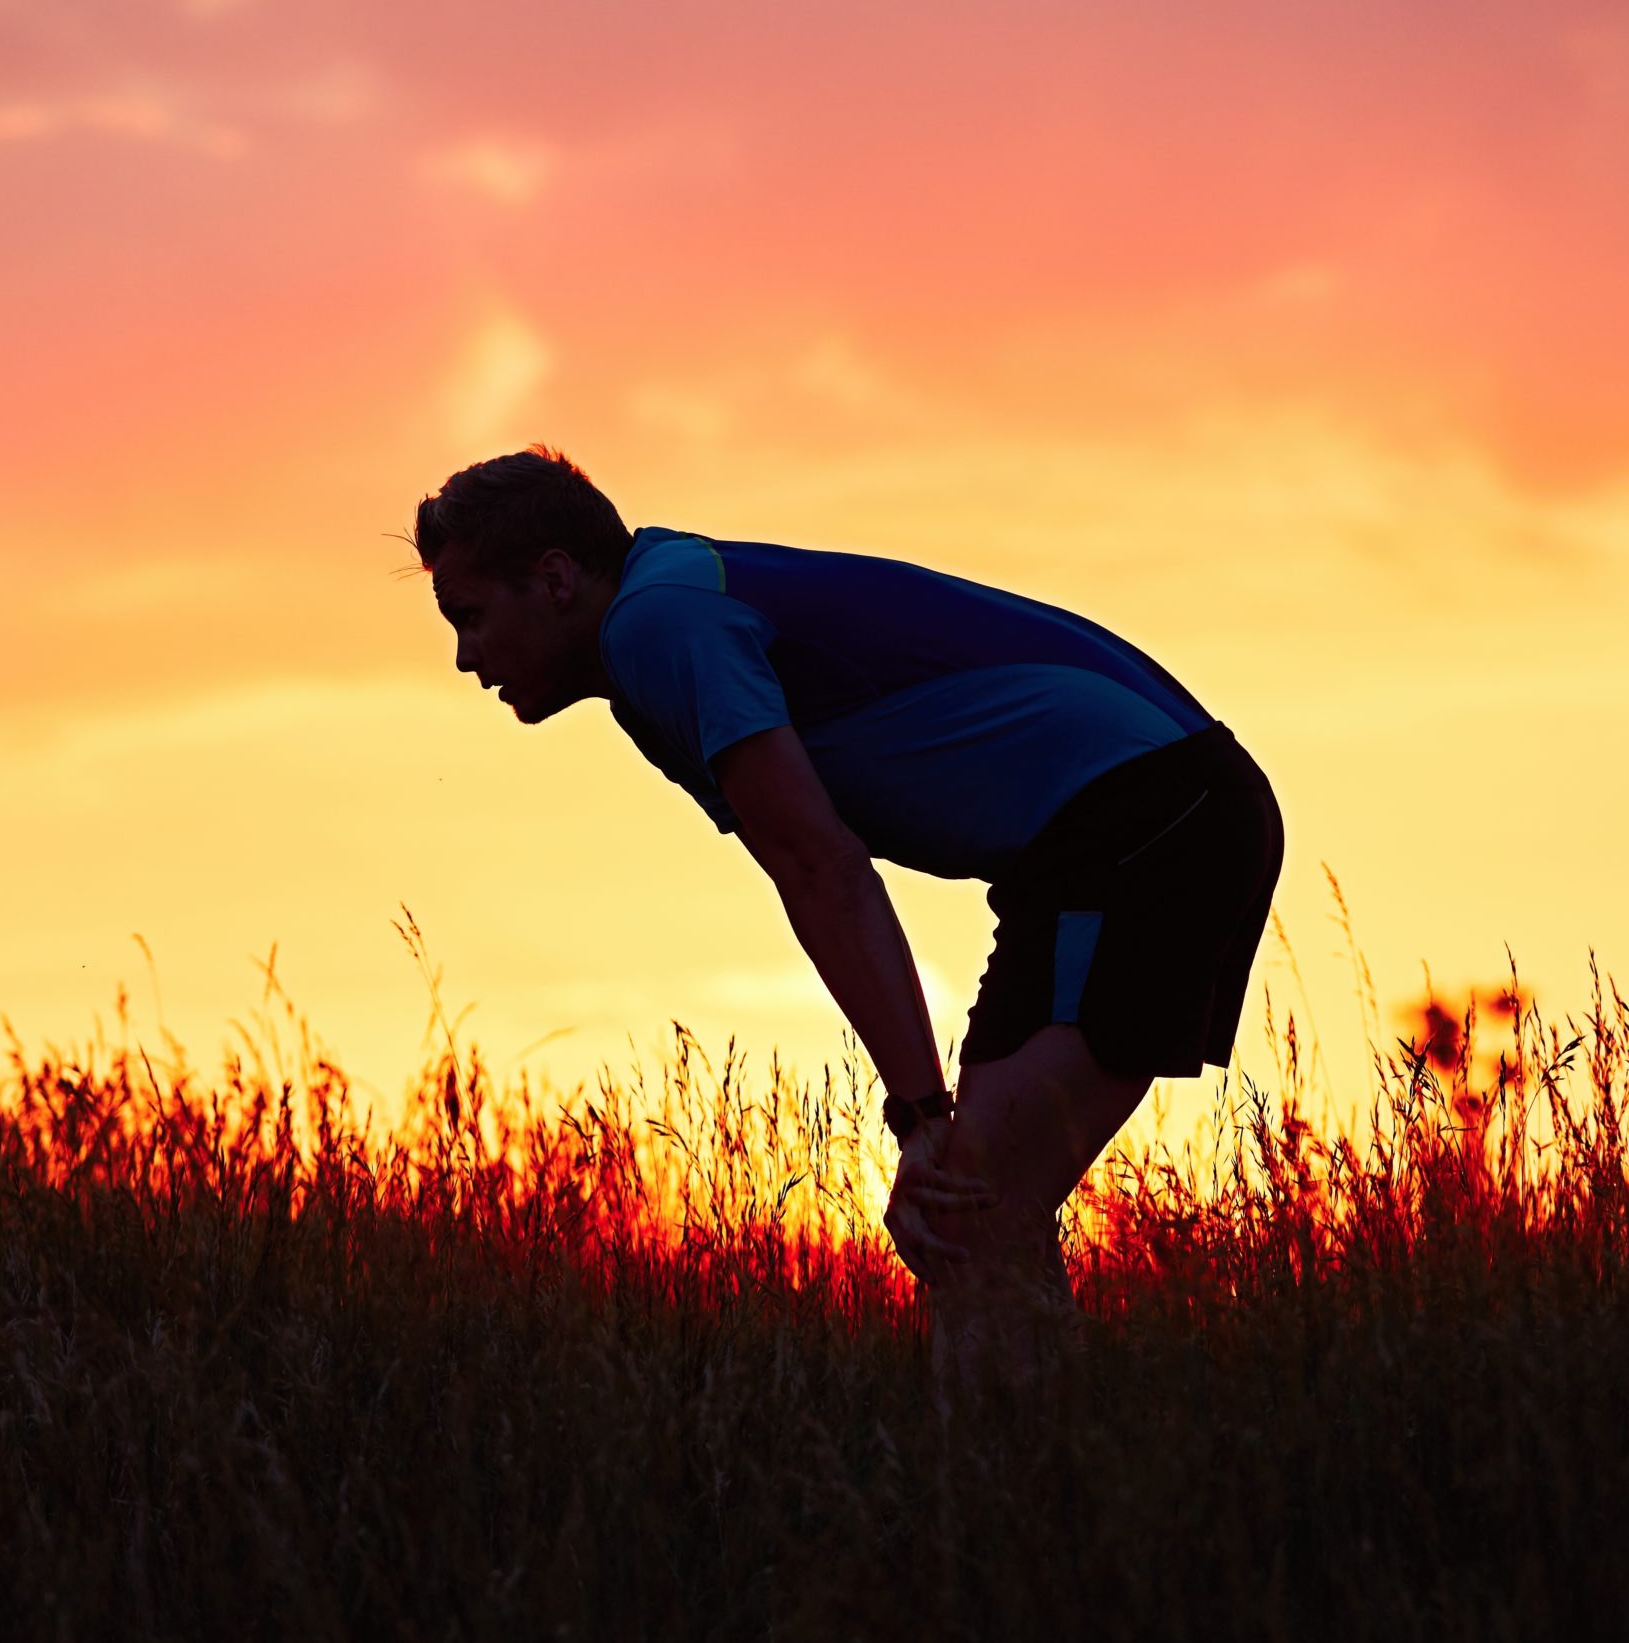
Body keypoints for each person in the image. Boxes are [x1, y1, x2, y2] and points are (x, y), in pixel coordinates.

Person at [411, 444, 1284, 1388]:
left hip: (1149, 815)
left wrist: (918, 1113)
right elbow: (817, 864)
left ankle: (1015, 1509)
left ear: (553, 579)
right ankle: (1048, 1492)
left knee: (967, 1213)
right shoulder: (662, 612)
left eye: (471, 617)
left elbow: (821, 867)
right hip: (1120, 828)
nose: (465, 656)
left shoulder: (659, 624)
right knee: (980, 1220)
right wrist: (922, 1112)